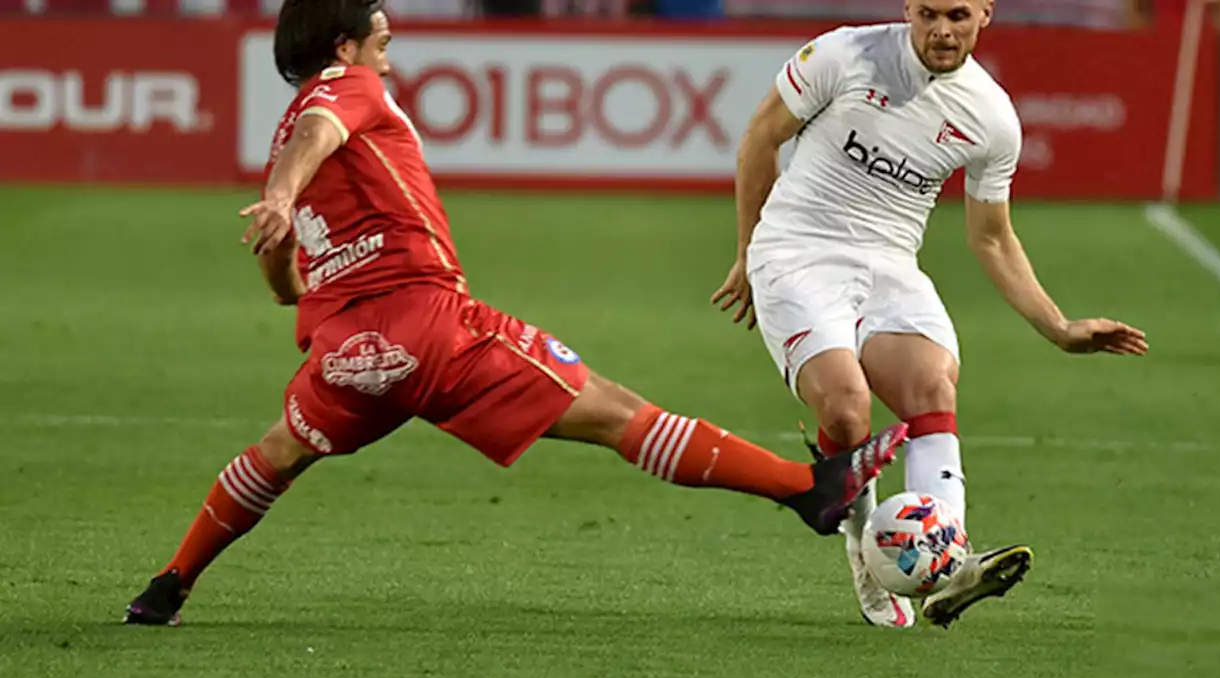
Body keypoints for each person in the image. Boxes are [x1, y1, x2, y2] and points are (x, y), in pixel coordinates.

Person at [121, 0, 911, 627]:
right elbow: (325, 130)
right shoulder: (344, 90)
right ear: (342, 44)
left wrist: (284, 222)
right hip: (432, 327)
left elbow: (281, 281)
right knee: (618, 415)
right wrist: (288, 194)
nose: (387, 47)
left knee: (277, 454)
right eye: (379, 35)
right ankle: (808, 490)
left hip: (349, 354)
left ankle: (169, 583)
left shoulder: (280, 141)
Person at [712, 0, 1148, 629]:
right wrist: (748, 253)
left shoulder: (992, 116)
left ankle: (951, 565)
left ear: (985, 16)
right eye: (929, 14)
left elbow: (991, 237)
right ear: (908, 12)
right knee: (844, 406)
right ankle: (865, 552)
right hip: (797, 251)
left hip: (889, 263)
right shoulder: (844, 55)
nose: (943, 30)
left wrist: (1057, 326)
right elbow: (761, 138)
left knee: (931, 385)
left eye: (959, 15)